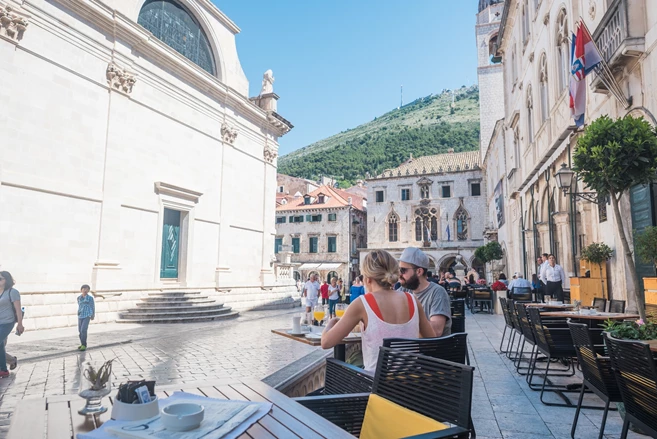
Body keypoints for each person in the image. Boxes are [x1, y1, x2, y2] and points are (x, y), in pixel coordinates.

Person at [321, 250, 435, 374]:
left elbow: (326, 342)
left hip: (377, 388)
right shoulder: (412, 300)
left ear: (367, 279)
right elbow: (432, 341)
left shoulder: (362, 303)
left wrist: (331, 322)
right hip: (410, 386)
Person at [398, 247, 452, 337]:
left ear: (419, 271)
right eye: (399, 270)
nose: (399, 274)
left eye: (403, 270)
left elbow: (436, 331)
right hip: (410, 346)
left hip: (431, 348)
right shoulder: (404, 290)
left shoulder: (437, 292)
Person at [0, 272, 24, 378]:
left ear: (7, 280)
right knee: (0, 345)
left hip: (7, 322)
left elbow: (18, 309)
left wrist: (20, 324)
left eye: (0, 279)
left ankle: (4, 369)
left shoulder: (13, 292)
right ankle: (4, 370)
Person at [77, 284, 95, 351]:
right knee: (80, 331)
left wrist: (93, 315)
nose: (85, 290)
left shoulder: (90, 298)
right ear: (81, 290)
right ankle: (82, 344)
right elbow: (79, 305)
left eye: (87, 289)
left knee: (83, 330)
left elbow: (93, 306)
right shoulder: (79, 298)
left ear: (88, 290)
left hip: (87, 315)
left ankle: (84, 345)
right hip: (80, 315)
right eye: (84, 289)